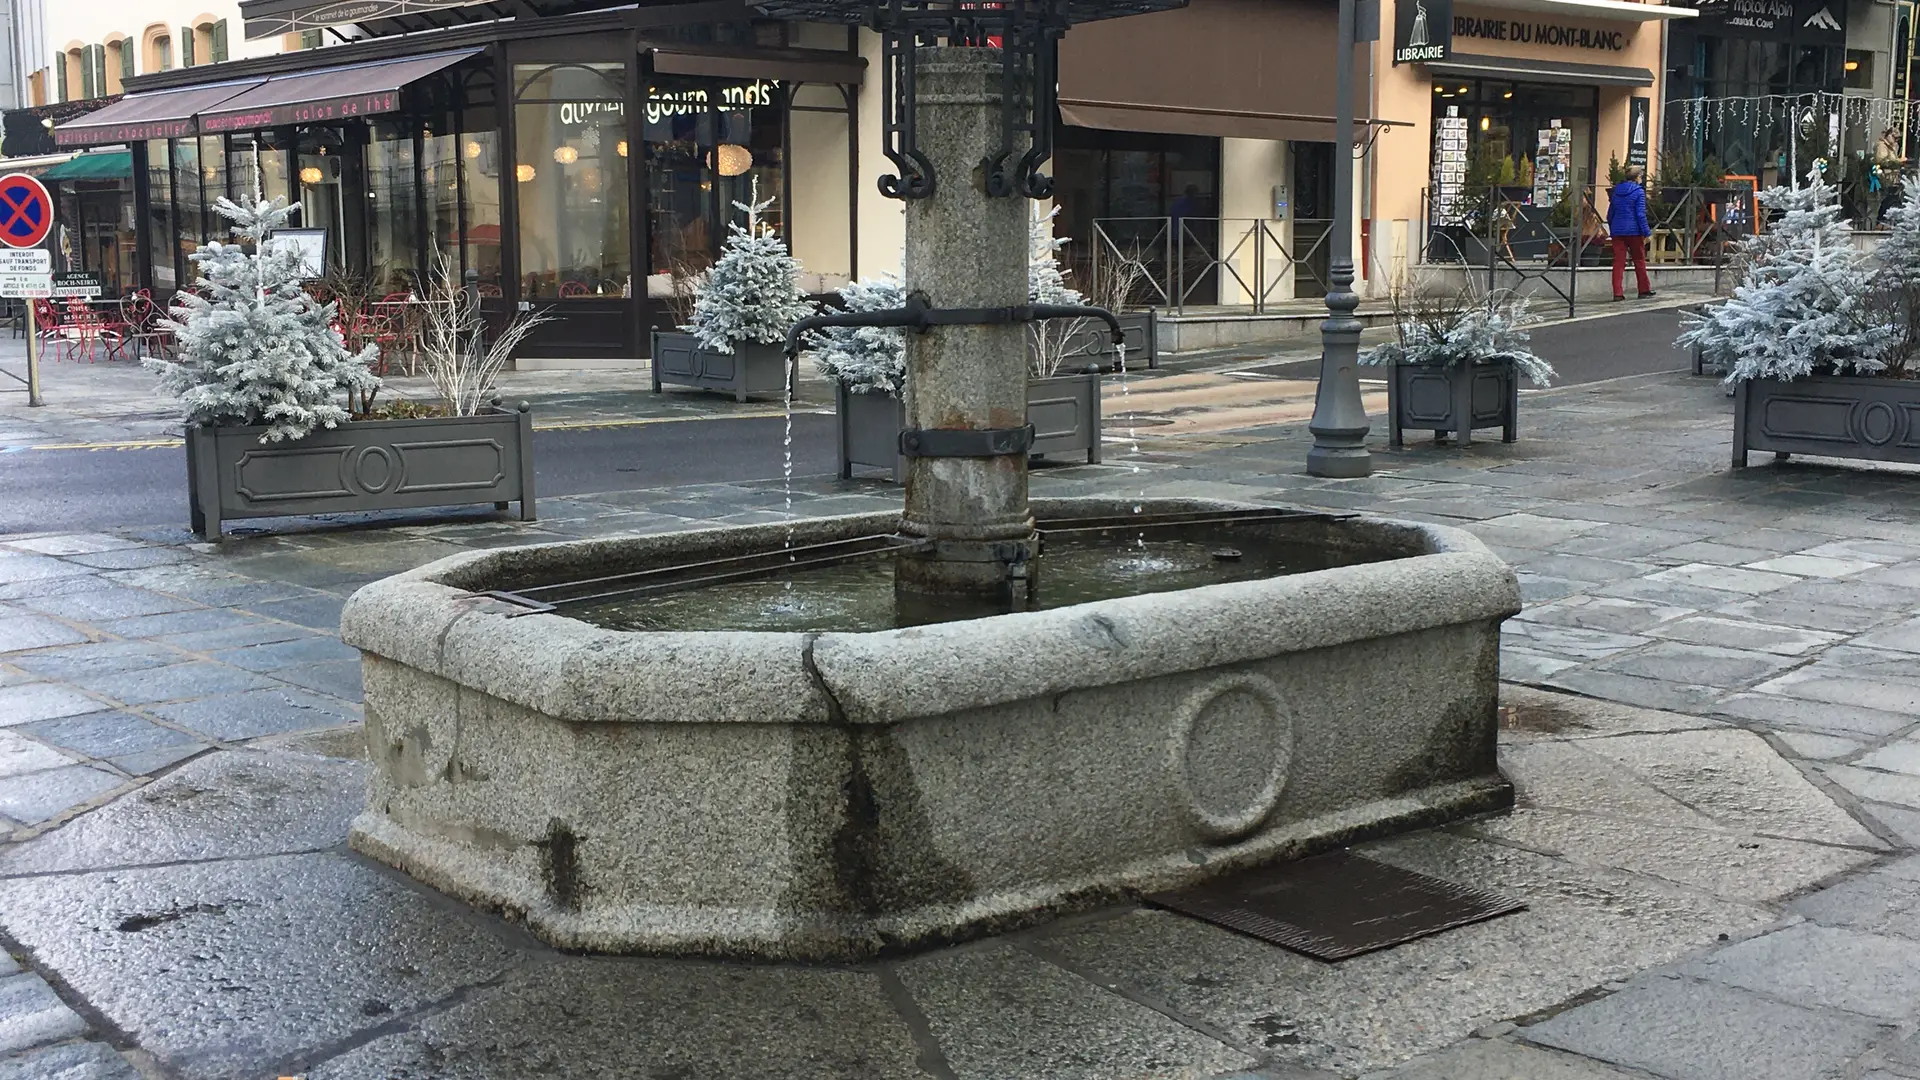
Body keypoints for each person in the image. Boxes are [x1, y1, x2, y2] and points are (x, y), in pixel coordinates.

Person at [1607, 165, 1653, 300]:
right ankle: (1643, 290)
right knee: (1639, 260)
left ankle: (1617, 293)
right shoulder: (1638, 192)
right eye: (1641, 177)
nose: (1642, 179)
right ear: (1637, 177)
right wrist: (1646, 232)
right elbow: (1640, 214)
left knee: (1618, 262)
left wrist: (1613, 227)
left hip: (1618, 231)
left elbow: (1610, 214)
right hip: (1634, 231)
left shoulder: (1616, 191)